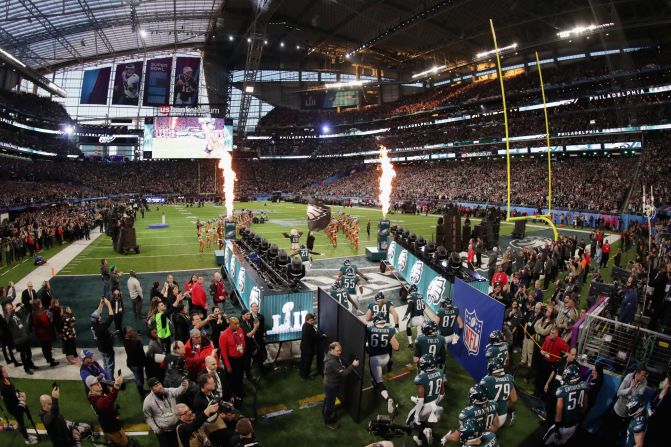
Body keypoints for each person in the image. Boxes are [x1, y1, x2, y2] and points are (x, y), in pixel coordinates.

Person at [543, 364, 588, 445]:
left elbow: (558, 412)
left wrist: (557, 428)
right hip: (574, 425)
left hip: (563, 425)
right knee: (562, 443)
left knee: (545, 442)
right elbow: (585, 407)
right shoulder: (584, 385)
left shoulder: (562, 390)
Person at [406, 354, 445, 446]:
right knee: (423, 421)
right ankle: (419, 440)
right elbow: (442, 392)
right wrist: (435, 402)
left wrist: (416, 414)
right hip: (435, 401)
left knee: (410, 422)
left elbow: (421, 399)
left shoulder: (421, 378)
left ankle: (425, 430)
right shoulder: (440, 371)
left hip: (425, 405)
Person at [367, 313, 400, 414]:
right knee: (378, 374)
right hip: (386, 357)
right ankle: (376, 381)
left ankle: (387, 398)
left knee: (379, 381)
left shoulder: (369, 329)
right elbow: (396, 347)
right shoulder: (390, 330)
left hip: (375, 359)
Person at [143, 376, 189, 447]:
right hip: (164, 433)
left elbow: (179, 391)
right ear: (151, 389)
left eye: (160, 384)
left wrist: (184, 385)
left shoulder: (168, 391)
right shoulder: (147, 402)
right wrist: (156, 429)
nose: (160, 386)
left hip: (176, 428)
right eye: (156, 386)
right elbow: (148, 417)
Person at [323, 341, 359, 429]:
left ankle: (325, 413)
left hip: (330, 383)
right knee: (330, 404)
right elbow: (343, 374)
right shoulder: (331, 361)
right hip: (331, 385)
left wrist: (341, 367)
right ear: (331, 350)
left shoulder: (332, 356)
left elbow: (338, 368)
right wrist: (353, 365)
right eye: (337, 350)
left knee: (328, 400)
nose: (340, 352)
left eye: (340, 350)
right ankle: (328, 421)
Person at [87, 372, 129, 446]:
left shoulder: (94, 394)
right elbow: (107, 402)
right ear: (91, 387)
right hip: (112, 427)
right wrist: (116, 386)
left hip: (108, 422)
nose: (99, 384)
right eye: (96, 384)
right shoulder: (96, 401)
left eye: (98, 382)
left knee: (115, 442)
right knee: (123, 443)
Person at [0, 365, 38, 444]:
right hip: (13, 407)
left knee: (21, 421)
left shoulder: (7, 379)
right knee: (21, 422)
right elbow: (10, 398)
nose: (6, 372)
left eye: (5, 370)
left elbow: (13, 392)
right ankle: (27, 439)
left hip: (16, 402)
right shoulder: (2, 387)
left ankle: (26, 435)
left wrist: (18, 394)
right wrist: (22, 398)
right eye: (3, 372)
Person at [479, 356, 517, 426]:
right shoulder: (509, 378)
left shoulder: (487, 380)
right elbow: (514, 399)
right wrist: (505, 407)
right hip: (502, 415)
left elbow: (479, 397)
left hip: (489, 413)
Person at [219, 316, 246, 404]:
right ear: (230, 324)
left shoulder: (240, 330)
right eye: (235, 324)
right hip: (232, 360)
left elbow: (243, 342)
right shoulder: (224, 335)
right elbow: (223, 352)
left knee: (240, 376)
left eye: (238, 323)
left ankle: (241, 391)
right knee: (233, 379)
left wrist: (242, 350)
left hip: (241, 358)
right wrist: (228, 366)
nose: (238, 325)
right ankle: (234, 396)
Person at [5, 302, 37, 374]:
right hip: (18, 340)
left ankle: (30, 364)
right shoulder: (8, 318)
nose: (11, 309)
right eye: (9, 309)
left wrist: (22, 306)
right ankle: (26, 368)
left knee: (29, 353)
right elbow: (9, 317)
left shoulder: (15, 315)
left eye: (11, 308)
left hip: (24, 337)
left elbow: (21, 313)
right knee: (23, 354)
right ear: (6, 310)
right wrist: (14, 308)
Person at [91, 297, 116, 379]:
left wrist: (101, 303)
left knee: (105, 364)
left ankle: (107, 376)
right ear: (99, 319)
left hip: (100, 347)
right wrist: (108, 304)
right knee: (110, 365)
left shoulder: (93, 324)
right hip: (107, 348)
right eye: (99, 316)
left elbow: (97, 313)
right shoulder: (102, 327)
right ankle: (110, 379)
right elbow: (111, 316)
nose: (100, 316)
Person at [299, 313, 324, 378]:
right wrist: (322, 336)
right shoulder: (309, 327)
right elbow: (315, 337)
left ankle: (302, 373)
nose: (313, 322)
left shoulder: (305, 325)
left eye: (313, 320)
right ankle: (306, 375)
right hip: (308, 348)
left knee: (303, 360)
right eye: (311, 320)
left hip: (303, 347)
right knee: (307, 362)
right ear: (307, 320)